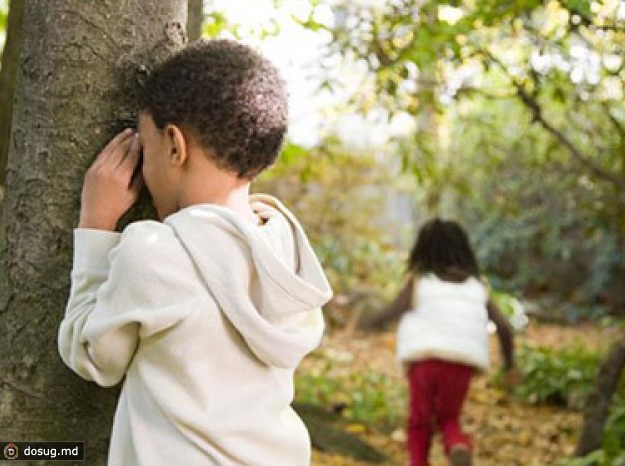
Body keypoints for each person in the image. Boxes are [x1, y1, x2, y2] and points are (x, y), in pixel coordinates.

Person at [57, 39, 332, 466]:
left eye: (144, 150)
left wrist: (95, 225)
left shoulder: (157, 252)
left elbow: (96, 358)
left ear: (174, 146)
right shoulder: (284, 246)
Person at [363, 219, 517, 466]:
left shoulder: (420, 282)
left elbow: (392, 310)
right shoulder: (477, 287)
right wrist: (510, 365)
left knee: (419, 422)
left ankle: (419, 462)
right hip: (462, 362)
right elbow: (504, 327)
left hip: (424, 359)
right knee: (449, 418)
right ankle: (458, 445)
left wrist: (367, 321)